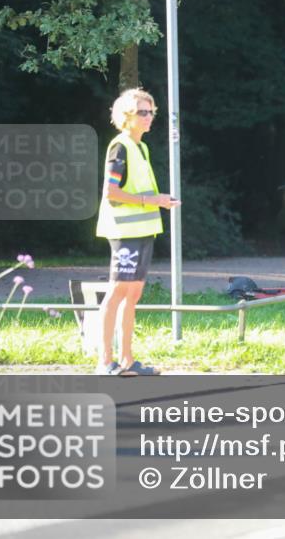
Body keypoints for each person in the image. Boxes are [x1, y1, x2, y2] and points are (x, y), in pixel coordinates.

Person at [94, 88, 180, 376]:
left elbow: (140, 191)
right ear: (126, 117)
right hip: (124, 232)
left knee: (132, 295)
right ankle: (105, 361)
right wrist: (153, 201)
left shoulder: (141, 147)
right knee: (117, 292)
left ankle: (127, 360)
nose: (149, 117)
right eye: (143, 112)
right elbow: (111, 192)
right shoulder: (120, 146)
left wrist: (160, 200)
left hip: (143, 232)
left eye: (151, 111)